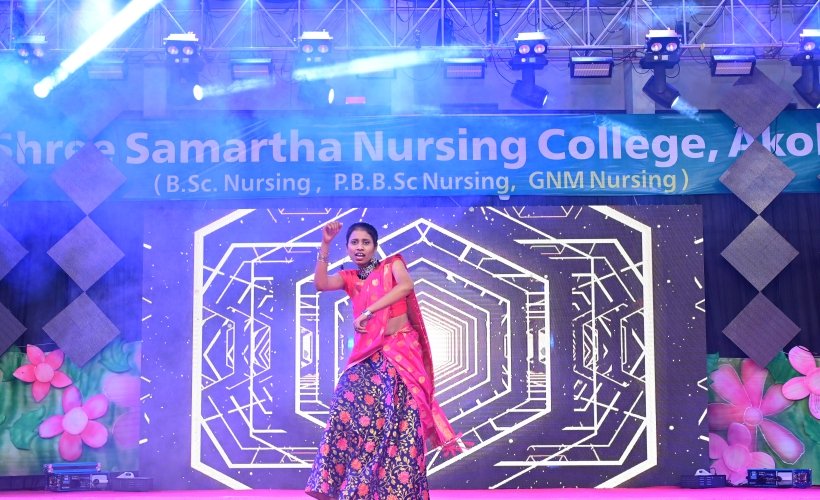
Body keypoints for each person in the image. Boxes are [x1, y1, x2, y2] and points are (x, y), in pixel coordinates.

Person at [305, 221, 463, 500]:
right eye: (354, 243)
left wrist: (368, 311)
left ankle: (400, 491)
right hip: (369, 355)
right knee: (346, 410)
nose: (359, 248)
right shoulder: (349, 277)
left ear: (375, 246)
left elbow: (406, 286)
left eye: (365, 242)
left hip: (402, 353)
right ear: (347, 247)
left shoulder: (392, 266)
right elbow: (320, 284)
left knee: (402, 421)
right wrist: (326, 244)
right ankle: (345, 486)